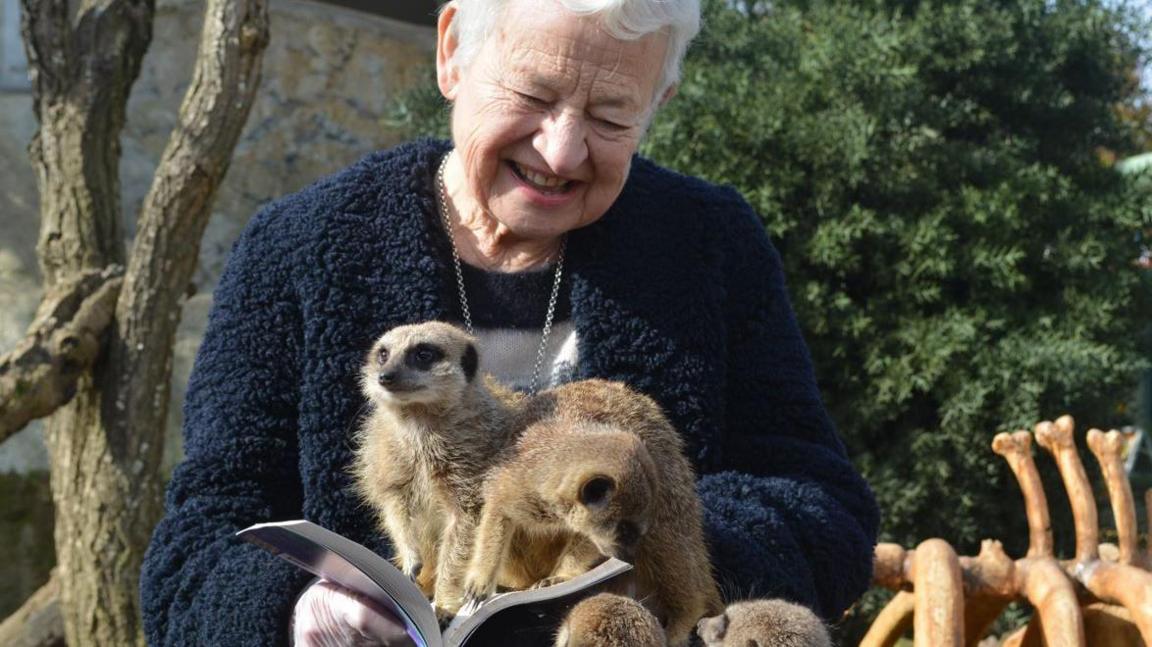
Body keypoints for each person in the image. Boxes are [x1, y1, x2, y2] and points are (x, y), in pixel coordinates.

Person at [140, 0, 880, 645]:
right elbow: (196, 545)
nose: (561, 150)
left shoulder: (708, 243)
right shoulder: (298, 245)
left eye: (611, 115)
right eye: (534, 93)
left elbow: (822, 505)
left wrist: (655, 558)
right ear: (452, 53)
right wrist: (298, 615)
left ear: (660, 102)